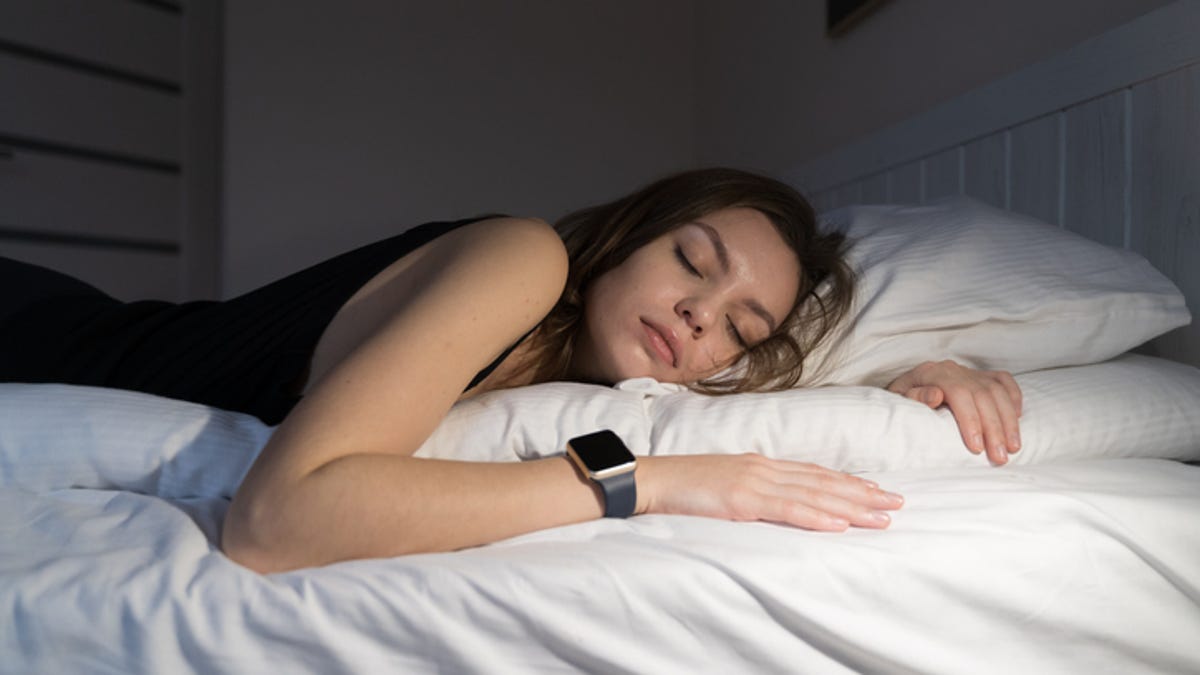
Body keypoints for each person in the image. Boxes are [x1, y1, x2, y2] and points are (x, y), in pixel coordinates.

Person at [0, 168, 1022, 573]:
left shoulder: (630, 376)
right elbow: (278, 524)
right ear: (627, 241)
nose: (698, 315)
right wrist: (648, 482)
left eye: (739, 325)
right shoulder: (520, 258)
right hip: (36, 333)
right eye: (689, 262)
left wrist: (925, 372)